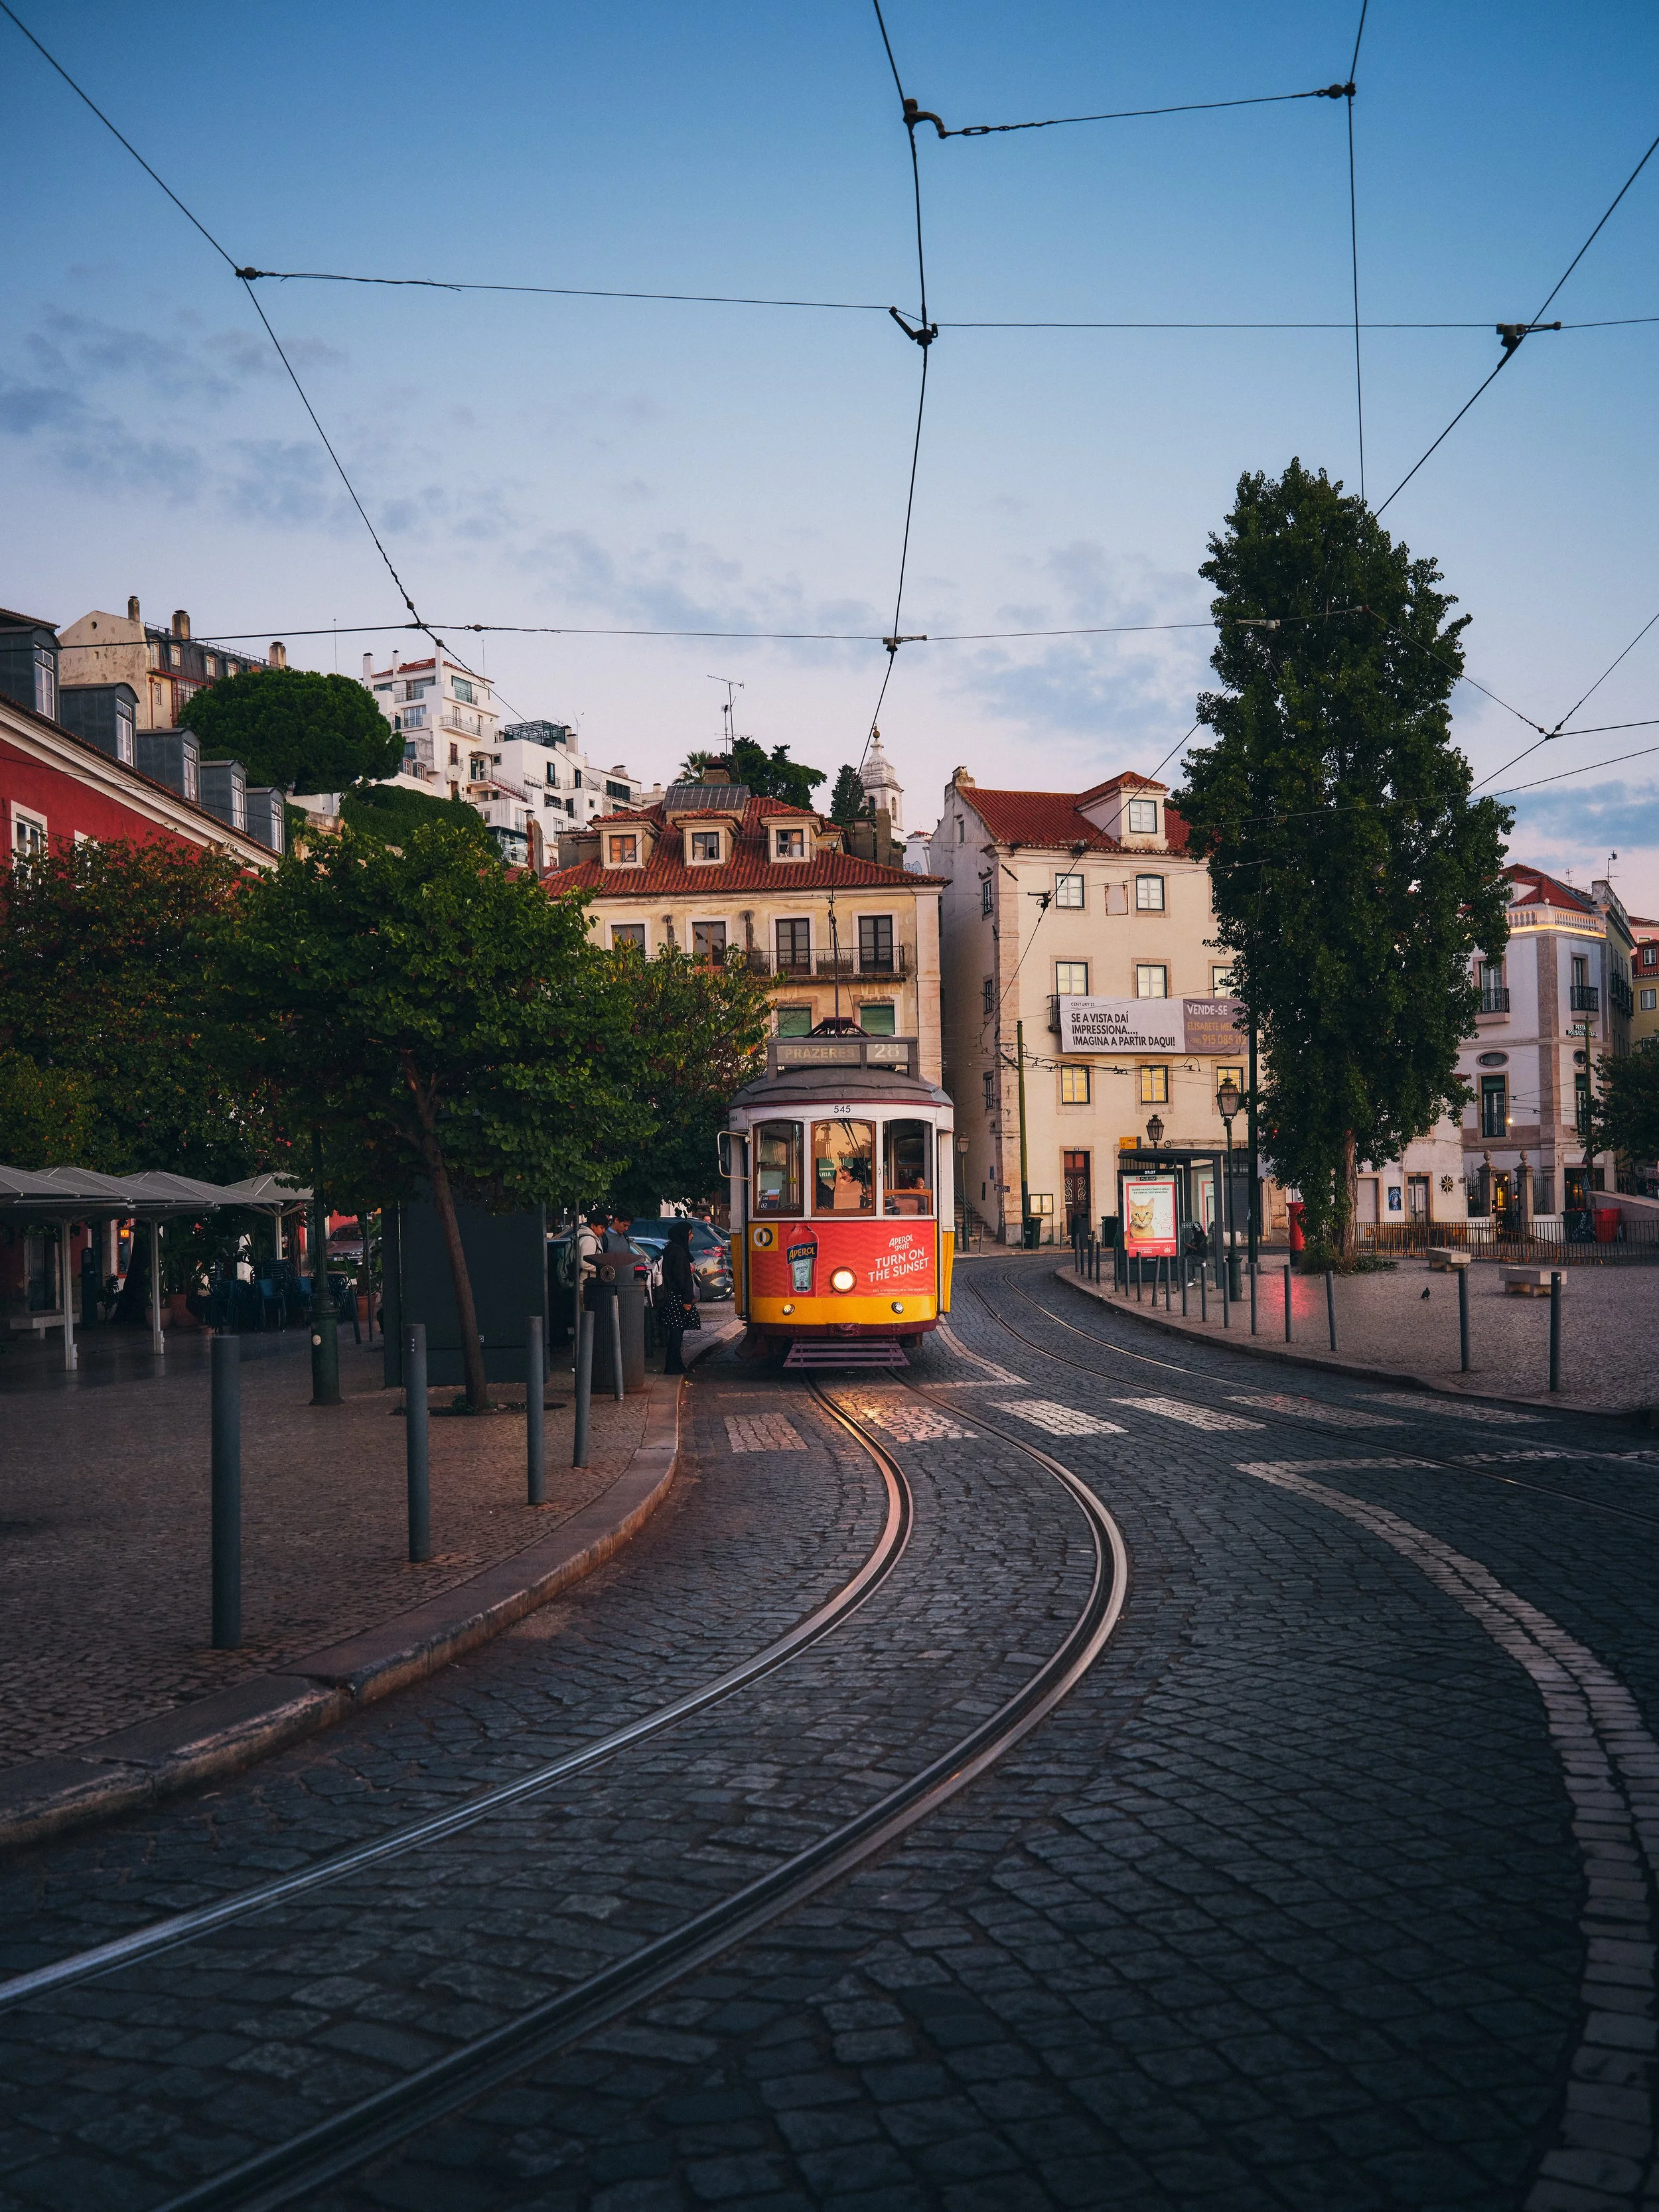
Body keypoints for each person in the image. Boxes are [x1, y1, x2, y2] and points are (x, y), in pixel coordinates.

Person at [658, 1219, 700, 1374]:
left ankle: (675, 1365)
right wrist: (687, 1299)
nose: (692, 1236)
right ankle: (673, 1366)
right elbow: (681, 1277)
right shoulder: (678, 1252)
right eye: (690, 1234)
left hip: (672, 1297)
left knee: (676, 1334)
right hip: (677, 1299)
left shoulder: (671, 1249)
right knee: (676, 1334)